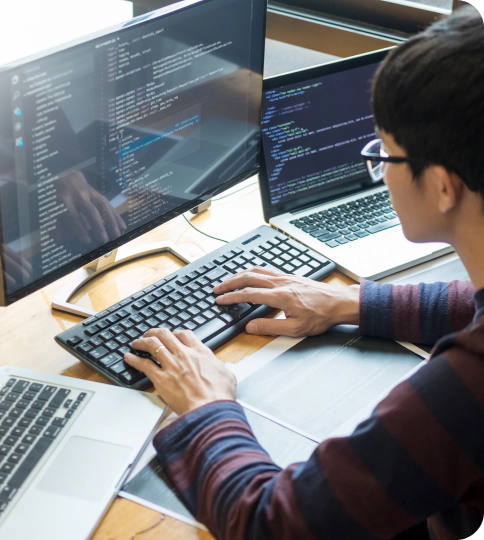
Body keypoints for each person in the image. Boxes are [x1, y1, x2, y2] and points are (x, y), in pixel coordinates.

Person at [124, 7, 484, 540]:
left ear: (443, 186)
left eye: (387, 153)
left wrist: (208, 404)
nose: (380, 170)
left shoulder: (469, 386)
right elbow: (470, 300)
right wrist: (354, 303)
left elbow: (273, 523)